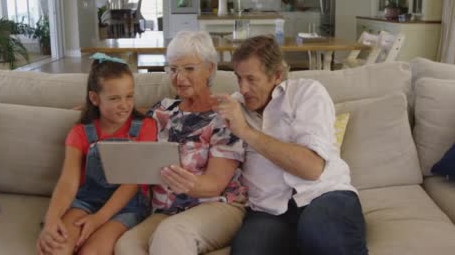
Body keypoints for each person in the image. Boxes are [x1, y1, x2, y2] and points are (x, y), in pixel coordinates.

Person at [213, 35, 367, 255]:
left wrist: (246, 132)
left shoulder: (307, 93)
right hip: (268, 211)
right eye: (239, 78)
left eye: (251, 79)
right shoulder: (235, 108)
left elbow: (311, 168)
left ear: (276, 75)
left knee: (320, 231)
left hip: (324, 196)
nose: (243, 88)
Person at [115, 31, 247, 255]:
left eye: (189, 69)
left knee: (170, 234)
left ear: (210, 69)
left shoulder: (225, 115)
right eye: (173, 69)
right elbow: (131, 116)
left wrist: (186, 183)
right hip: (166, 211)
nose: (179, 78)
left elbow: (215, 183)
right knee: (126, 246)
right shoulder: (163, 109)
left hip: (217, 204)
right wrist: (93, 111)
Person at [37, 53, 157, 255]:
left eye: (129, 96)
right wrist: (51, 220)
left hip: (127, 207)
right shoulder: (80, 132)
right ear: (94, 98)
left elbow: (132, 183)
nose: (125, 105)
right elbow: (68, 181)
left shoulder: (145, 127)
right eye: (114, 98)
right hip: (86, 201)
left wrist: (98, 219)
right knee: (55, 248)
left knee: (91, 252)